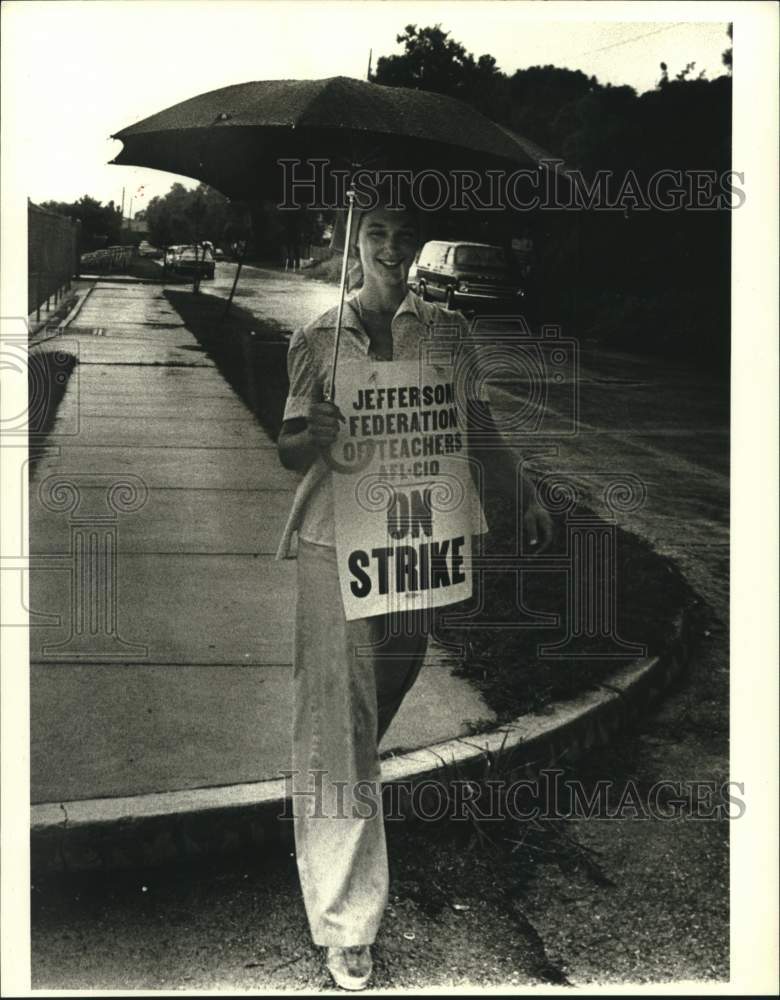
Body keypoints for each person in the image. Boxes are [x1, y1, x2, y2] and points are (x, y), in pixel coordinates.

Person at [276, 202, 552, 990]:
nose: (391, 248)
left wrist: (522, 493)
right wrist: (315, 432)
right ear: (352, 242)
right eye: (376, 235)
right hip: (337, 543)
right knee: (341, 719)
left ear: (417, 244)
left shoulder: (449, 334)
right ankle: (346, 924)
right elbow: (292, 446)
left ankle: (323, 798)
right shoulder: (317, 339)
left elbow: (478, 423)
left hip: (418, 547)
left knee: (365, 710)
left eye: (403, 235)